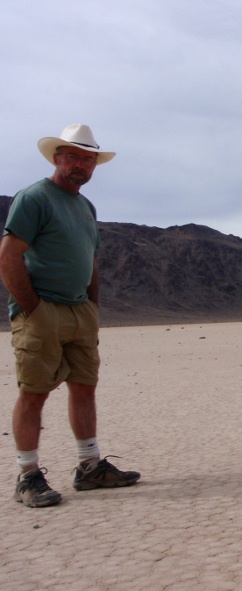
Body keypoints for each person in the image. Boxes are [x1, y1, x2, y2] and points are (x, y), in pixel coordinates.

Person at [0, 124, 140, 508]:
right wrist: (33, 310)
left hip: (79, 311)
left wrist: (92, 307)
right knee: (34, 392)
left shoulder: (85, 207)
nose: (80, 165)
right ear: (56, 158)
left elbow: (90, 261)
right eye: (73, 157)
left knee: (84, 386)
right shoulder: (35, 198)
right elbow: (9, 255)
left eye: (88, 159)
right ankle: (28, 476)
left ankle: (89, 466)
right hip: (42, 309)